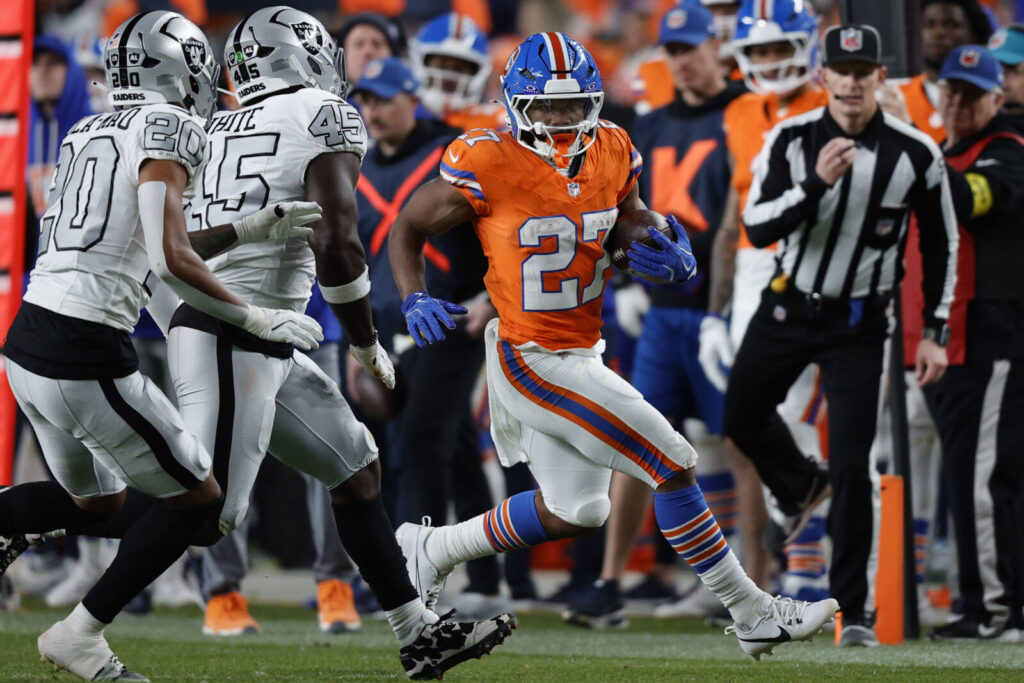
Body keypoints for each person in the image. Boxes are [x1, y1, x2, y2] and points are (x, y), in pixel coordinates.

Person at [389, 30, 838, 661]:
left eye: (572, 106)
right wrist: (414, 295)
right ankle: (752, 609)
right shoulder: (485, 157)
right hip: (530, 356)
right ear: (516, 103)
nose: (559, 119)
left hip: (581, 347)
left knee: (578, 509)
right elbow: (409, 223)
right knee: (672, 460)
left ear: (593, 103)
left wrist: (658, 247)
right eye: (545, 107)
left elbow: (625, 221)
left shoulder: (614, 148)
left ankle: (431, 549)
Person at [173, 8, 513, 679]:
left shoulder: (213, 124)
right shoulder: (323, 113)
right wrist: (362, 341)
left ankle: (416, 630)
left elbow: (176, 248)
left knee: (356, 467)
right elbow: (338, 243)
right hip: (240, 328)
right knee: (210, 511)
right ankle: (63, 574)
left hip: (256, 326)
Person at [0, 11, 325, 680]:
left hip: (29, 336)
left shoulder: (87, 128)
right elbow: (172, 257)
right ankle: (80, 635)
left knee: (98, 504)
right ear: (176, 69)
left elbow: (149, 247)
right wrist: (256, 318)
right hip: (83, 348)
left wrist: (250, 228)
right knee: (202, 504)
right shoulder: (169, 125)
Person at [723, 23, 959, 648]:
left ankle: (850, 610)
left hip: (860, 322)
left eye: (863, 72)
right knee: (739, 413)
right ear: (823, 75)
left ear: (880, 77)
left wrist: (934, 329)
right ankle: (801, 483)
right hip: (788, 306)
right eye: (842, 71)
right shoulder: (790, 138)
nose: (852, 83)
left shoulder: (914, 153)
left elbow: (941, 244)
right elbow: (757, 225)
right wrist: (816, 186)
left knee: (856, 462)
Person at [563, 2, 747, 628]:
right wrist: (624, 271)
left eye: (691, 48)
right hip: (664, 309)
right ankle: (611, 581)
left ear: (716, 48)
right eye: (673, 50)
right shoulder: (653, 121)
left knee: (740, 443)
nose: (683, 60)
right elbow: (628, 209)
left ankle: (754, 583)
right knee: (640, 440)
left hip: (721, 303)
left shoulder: (742, 111)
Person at [348, 56, 503, 618]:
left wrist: (493, 295)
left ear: (413, 99)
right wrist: (356, 334)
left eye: (385, 99)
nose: (373, 111)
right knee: (455, 445)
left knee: (421, 437)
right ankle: (486, 574)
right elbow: (356, 254)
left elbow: (497, 223)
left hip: (452, 314)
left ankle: (421, 572)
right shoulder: (356, 162)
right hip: (389, 322)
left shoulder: (454, 152)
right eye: (366, 100)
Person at [700, 0, 830, 606]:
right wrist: (715, 307)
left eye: (782, 48)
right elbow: (733, 214)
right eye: (762, 50)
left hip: (813, 261)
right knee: (746, 418)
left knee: (798, 408)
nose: (773, 61)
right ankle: (799, 520)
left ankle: (807, 561)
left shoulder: (832, 104)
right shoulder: (741, 112)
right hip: (755, 264)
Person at [907, 45, 1024, 642]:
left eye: (971, 93)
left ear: (996, 99)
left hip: (993, 336)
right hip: (953, 340)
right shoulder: (950, 151)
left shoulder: (1009, 149)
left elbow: (971, 200)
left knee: (981, 479)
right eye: (950, 90)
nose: (957, 103)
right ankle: (991, 604)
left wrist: (911, 152)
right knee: (970, 475)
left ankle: (992, 610)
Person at [409, 12, 506, 131]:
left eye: (459, 69)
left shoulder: (496, 124)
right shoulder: (401, 115)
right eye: (441, 65)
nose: (448, 77)